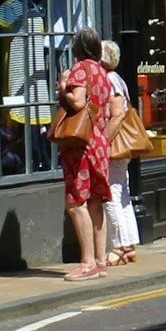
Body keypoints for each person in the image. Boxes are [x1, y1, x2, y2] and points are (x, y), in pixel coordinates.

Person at [55, 28, 117, 281]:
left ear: (78, 48)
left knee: (75, 202)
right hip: (100, 142)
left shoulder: (80, 69)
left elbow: (78, 102)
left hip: (81, 145)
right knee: (95, 201)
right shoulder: (103, 72)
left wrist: (62, 87)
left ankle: (87, 262)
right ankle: (100, 261)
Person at [99, 39, 140, 267]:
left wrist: (104, 141)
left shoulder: (109, 79)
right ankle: (130, 244)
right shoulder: (118, 79)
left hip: (115, 146)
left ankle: (119, 247)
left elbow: (117, 115)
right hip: (121, 147)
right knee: (123, 193)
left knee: (111, 195)